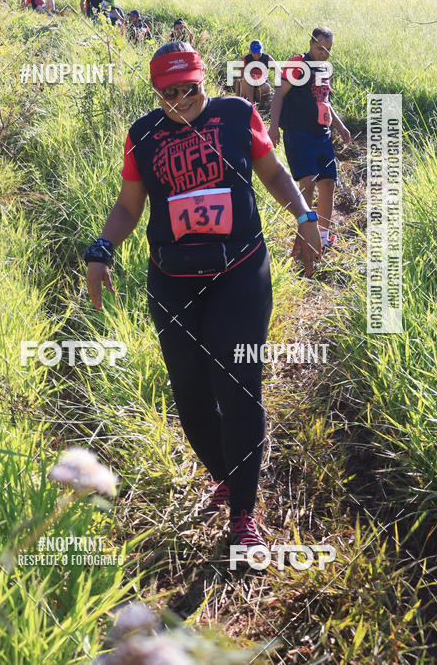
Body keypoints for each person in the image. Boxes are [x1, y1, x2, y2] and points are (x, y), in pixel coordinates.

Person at [84, 41, 321, 555]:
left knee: (239, 390)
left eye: (189, 88)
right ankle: (228, 476)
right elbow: (128, 207)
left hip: (240, 273)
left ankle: (243, 512)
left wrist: (305, 216)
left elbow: (274, 174)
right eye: (168, 93)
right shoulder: (143, 136)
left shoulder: (236, 115)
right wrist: (101, 249)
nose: (181, 100)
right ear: (156, 93)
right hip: (172, 281)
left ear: (203, 79)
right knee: (191, 399)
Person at [268, 27, 351, 255]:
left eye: (329, 49)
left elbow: (324, 100)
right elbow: (278, 94)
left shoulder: (325, 68)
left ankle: (322, 239)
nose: (325, 53)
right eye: (320, 48)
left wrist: (340, 126)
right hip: (299, 133)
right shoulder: (298, 63)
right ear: (311, 44)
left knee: (328, 184)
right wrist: (273, 127)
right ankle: (304, 240)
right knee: (308, 184)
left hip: (322, 134)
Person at [235, 39, 274, 110]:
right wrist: (237, 98)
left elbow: (279, 71)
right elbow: (239, 79)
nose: (257, 55)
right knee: (247, 78)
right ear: (250, 51)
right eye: (254, 53)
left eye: (259, 53)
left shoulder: (267, 58)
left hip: (260, 89)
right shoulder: (245, 59)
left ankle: (261, 105)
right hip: (247, 89)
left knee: (266, 86)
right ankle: (252, 105)